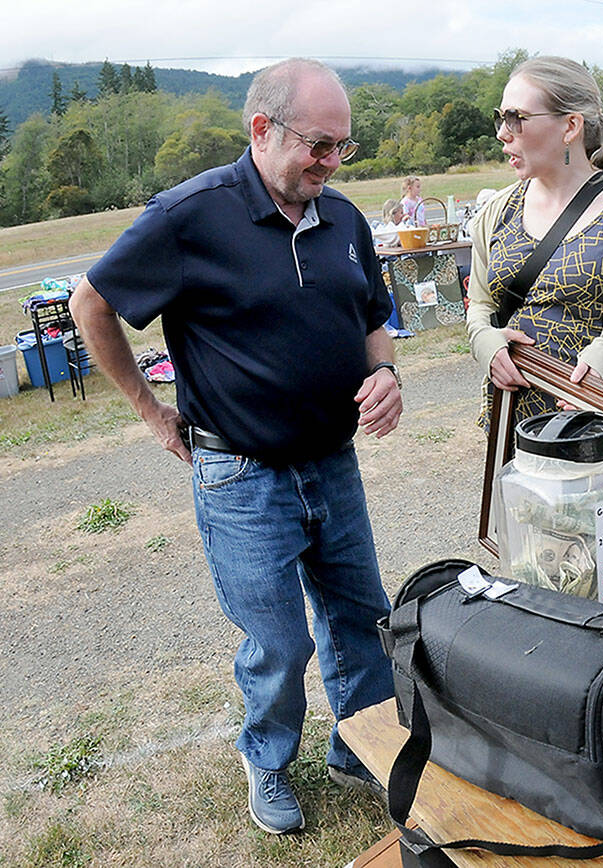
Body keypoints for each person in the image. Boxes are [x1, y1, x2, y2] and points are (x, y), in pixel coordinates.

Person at [69, 58, 400, 836]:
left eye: (342, 148)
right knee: (279, 640)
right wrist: (154, 416)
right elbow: (92, 304)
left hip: (333, 462)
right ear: (261, 129)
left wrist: (385, 371)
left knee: (361, 614)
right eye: (318, 145)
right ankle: (269, 758)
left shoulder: (344, 219)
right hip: (241, 474)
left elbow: (373, 316)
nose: (330, 163)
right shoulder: (191, 216)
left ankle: (359, 743)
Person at [466, 56, 603, 426]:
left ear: (571, 126)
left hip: (599, 429)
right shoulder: (496, 213)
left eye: (517, 119)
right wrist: (485, 343)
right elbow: (480, 303)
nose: (502, 133)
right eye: (501, 117)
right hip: (511, 428)